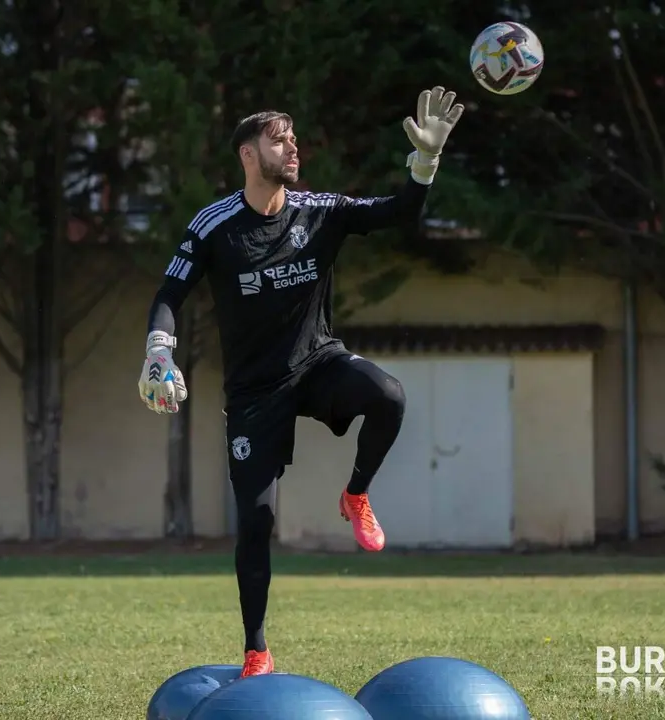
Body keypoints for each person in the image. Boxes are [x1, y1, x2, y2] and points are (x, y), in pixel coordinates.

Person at [139, 85, 465, 676]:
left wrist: (426, 162)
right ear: (247, 153)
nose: (291, 146)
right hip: (254, 394)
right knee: (257, 521)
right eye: (277, 138)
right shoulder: (214, 226)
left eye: (293, 137)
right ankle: (256, 650)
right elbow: (170, 292)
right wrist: (158, 351)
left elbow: (399, 212)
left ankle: (357, 493)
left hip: (317, 365)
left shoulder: (319, 211)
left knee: (388, 394)